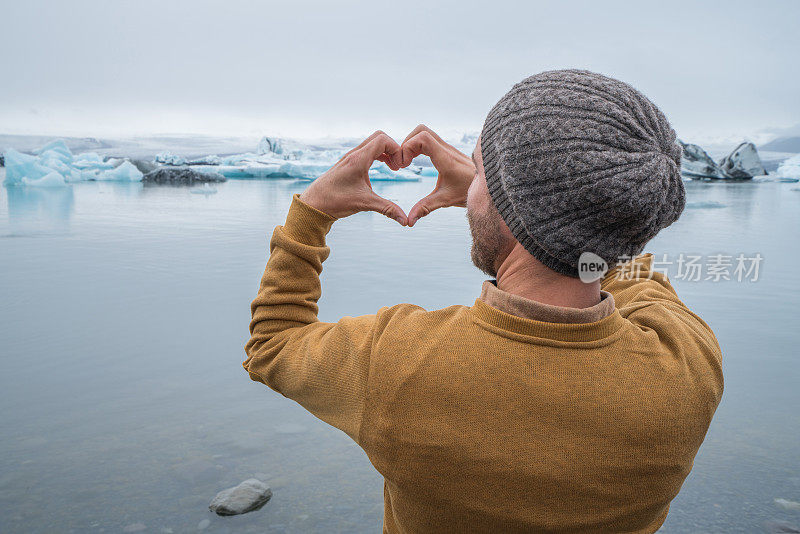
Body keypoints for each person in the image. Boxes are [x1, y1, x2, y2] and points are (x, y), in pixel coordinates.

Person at [243, 69, 723, 533]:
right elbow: (620, 263)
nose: (471, 183)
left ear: (501, 204)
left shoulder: (396, 364)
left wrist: (312, 213)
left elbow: (273, 343)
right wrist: (506, 202)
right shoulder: (690, 363)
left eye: (478, 172)